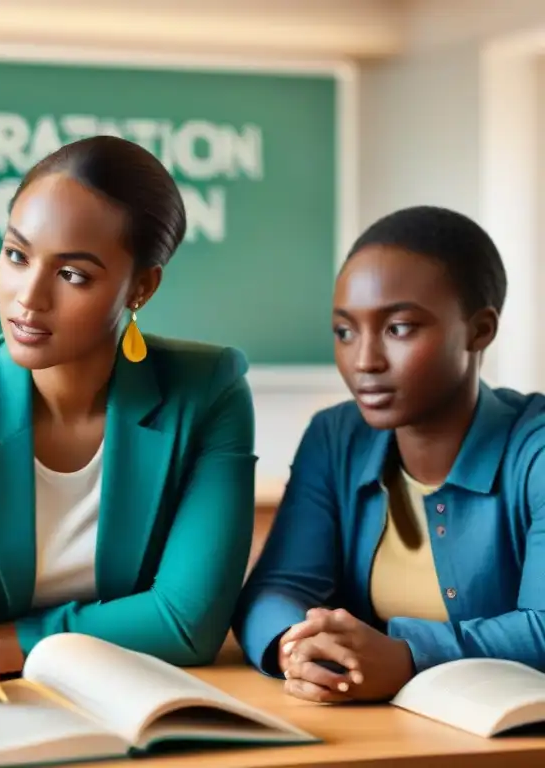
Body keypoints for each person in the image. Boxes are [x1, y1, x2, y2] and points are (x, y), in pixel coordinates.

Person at [0, 135, 258, 707]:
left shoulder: (208, 391)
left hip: (133, 698)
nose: (28, 298)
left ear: (141, 286)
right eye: (16, 255)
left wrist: (11, 642)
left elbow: (188, 620)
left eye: (73, 275)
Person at [233, 205, 545, 704]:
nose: (364, 360)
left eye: (398, 328)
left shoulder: (536, 449)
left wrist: (406, 655)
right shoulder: (335, 437)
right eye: (345, 331)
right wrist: (297, 649)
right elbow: (274, 590)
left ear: (480, 329)